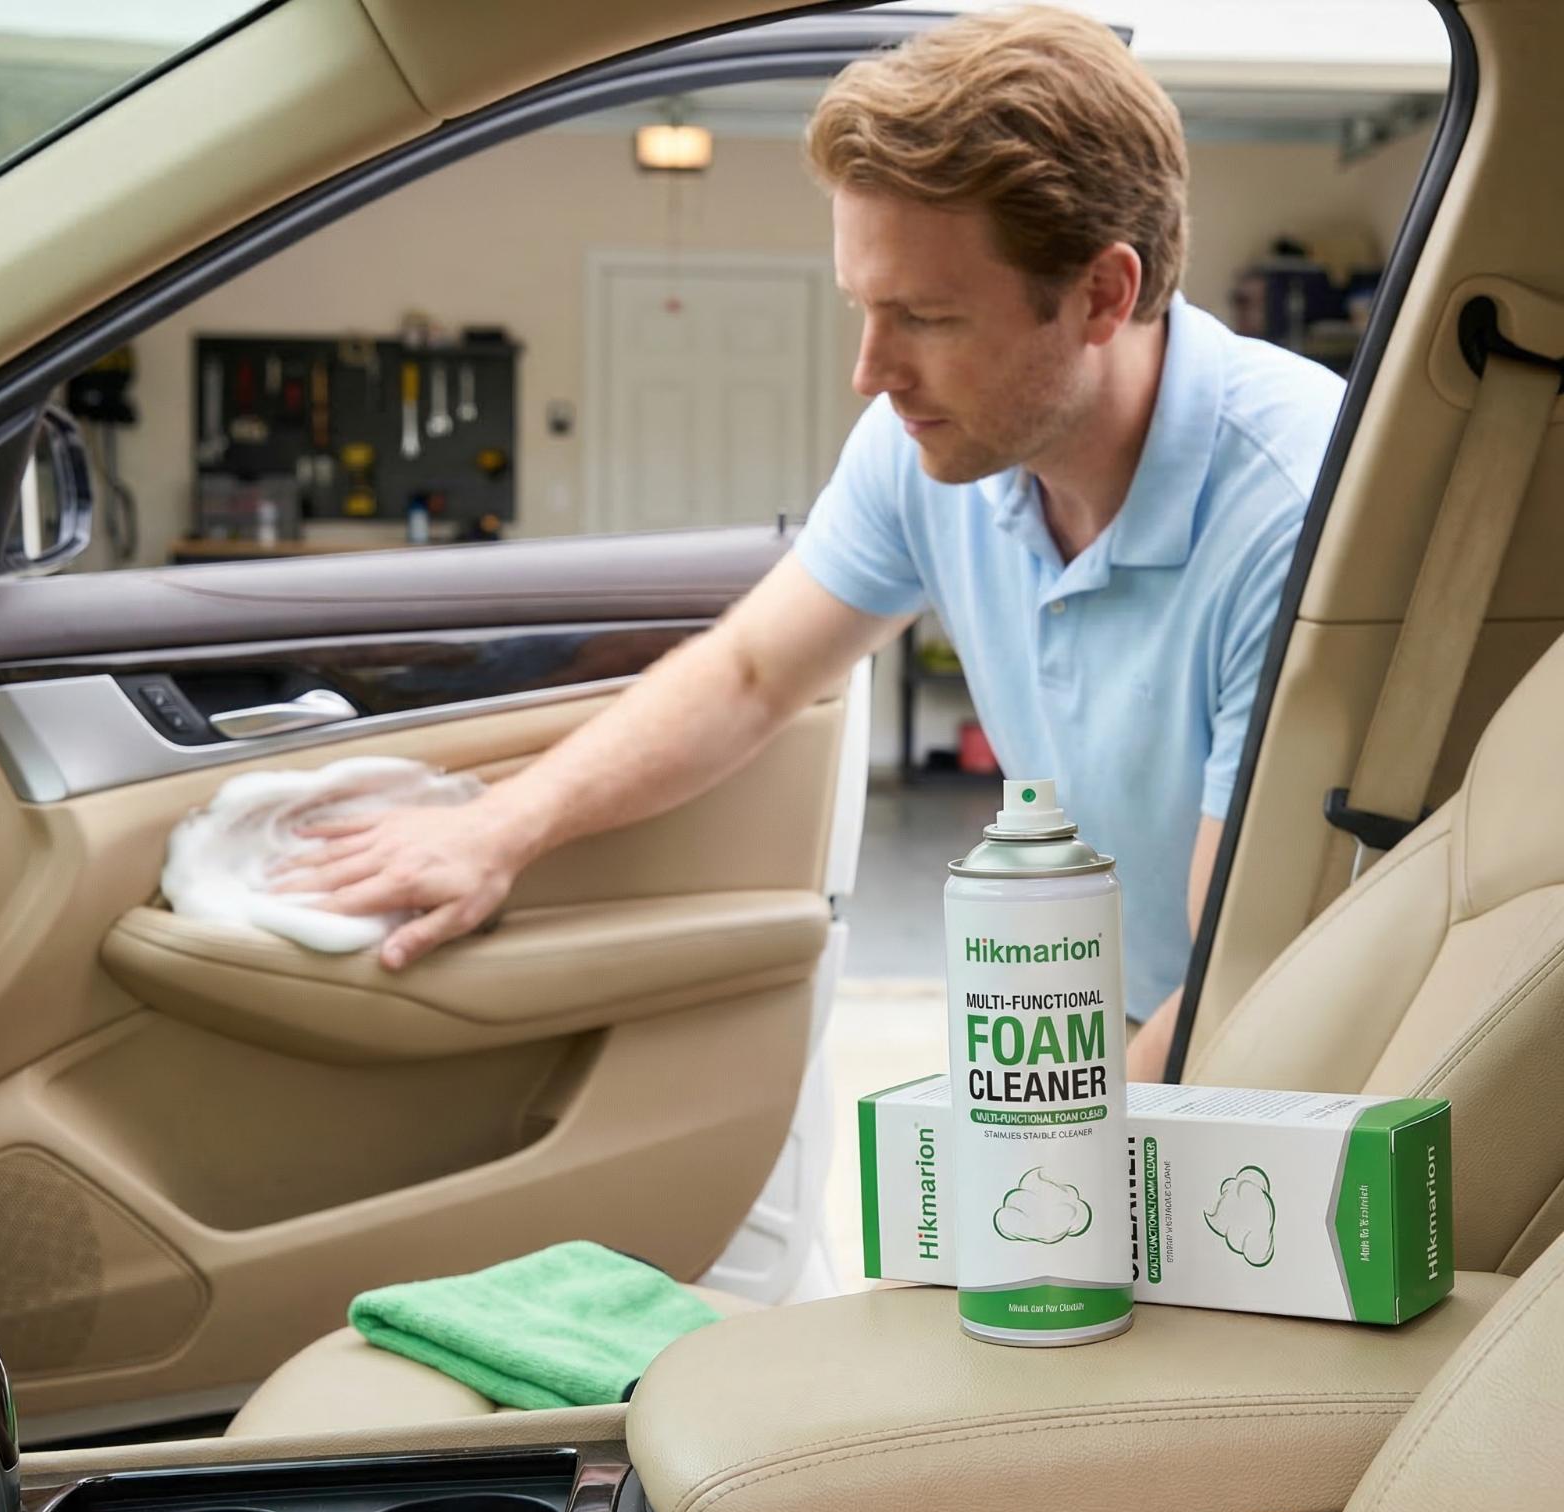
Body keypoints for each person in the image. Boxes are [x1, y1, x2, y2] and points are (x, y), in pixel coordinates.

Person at [275, 5, 1344, 1082]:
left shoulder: (1295, 514)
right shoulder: (929, 448)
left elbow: (1244, 969)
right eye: (862, 308)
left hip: (1287, 1047)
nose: (871, 373)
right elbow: (750, 673)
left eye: (926, 318)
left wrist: (1048, 1154)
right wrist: (498, 826)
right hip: (1127, 1016)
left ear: (1102, 295)